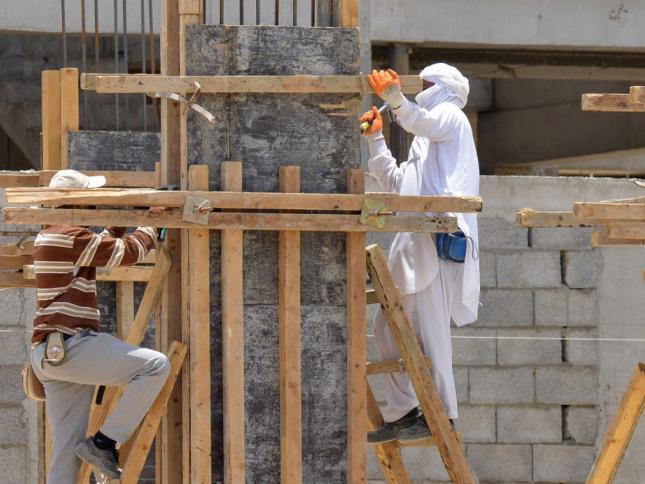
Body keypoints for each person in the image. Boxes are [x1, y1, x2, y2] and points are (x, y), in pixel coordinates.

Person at [361, 63, 480, 444]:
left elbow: (420, 121)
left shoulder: (450, 118)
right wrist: (376, 140)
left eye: (426, 83)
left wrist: (395, 99)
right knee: (386, 326)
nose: (421, 88)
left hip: (435, 244)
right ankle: (404, 412)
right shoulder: (425, 139)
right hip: (411, 244)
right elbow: (400, 186)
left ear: (443, 87)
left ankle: (443, 415)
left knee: (432, 334)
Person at [29, 169, 170, 482]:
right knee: (155, 366)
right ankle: (104, 443)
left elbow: (100, 245)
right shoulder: (69, 236)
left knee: (65, 454)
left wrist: (123, 219)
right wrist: (152, 221)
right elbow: (128, 252)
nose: (93, 205)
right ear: (75, 202)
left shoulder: (52, 235)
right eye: (89, 200)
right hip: (71, 347)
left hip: (51, 354)